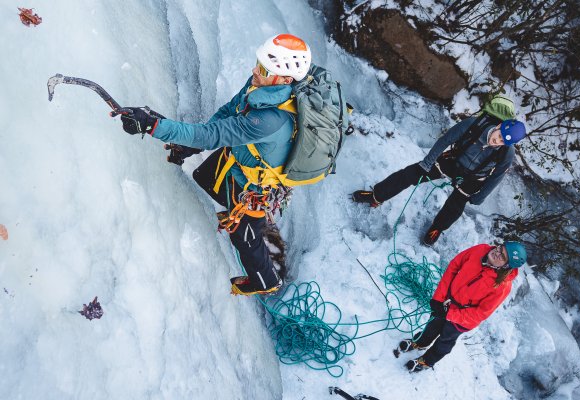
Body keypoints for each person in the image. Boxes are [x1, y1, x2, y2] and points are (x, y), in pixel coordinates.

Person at [115, 34, 312, 296]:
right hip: (243, 159)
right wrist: (193, 143)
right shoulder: (262, 87)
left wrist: (154, 126)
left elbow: (213, 136)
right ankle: (234, 211)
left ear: (285, 80)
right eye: (258, 62)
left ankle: (266, 282)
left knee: (244, 238)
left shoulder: (271, 120)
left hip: (257, 185)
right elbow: (229, 113)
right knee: (204, 175)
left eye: (264, 68)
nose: (254, 70)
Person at [352, 116, 527, 245]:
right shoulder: (474, 125)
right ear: (499, 125)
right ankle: (376, 196)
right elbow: (447, 139)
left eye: (503, 141)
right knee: (409, 174)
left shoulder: (506, 154)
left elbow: (496, 177)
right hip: (453, 161)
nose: (498, 141)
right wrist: (427, 163)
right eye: (499, 135)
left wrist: (480, 196)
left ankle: (437, 228)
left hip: (473, 177)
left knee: (455, 207)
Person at [393, 241, 527, 372]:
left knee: (445, 340)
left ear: (507, 266)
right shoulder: (480, 250)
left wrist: (450, 315)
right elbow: (454, 266)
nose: (496, 252)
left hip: (463, 319)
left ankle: (428, 361)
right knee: (432, 325)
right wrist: (438, 298)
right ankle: (420, 342)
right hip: (446, 302)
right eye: (500, 248)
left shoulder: (502, 286)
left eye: (502, 256)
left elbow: (480, 313)